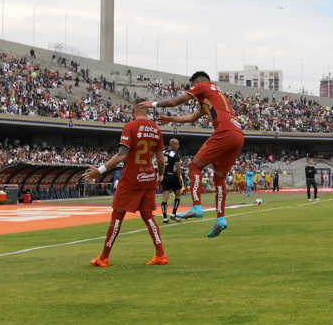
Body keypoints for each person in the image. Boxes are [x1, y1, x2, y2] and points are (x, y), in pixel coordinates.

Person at [142, 71, 245, 238]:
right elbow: (192, 118)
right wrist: (171, 120)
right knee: (219, 177)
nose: (192, 90)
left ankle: (197, 206)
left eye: (192, 86)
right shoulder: (215, 94)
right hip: (238, 135)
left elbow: (177, 101)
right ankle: (220, 218)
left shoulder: (202, 86)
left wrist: (153, 104)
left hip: (225, 131)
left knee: (194, 166)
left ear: (198, 81)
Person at [87, 99, 167, 267]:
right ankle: (161, 254)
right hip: (149, 179)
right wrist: (159, 177)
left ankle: (103, 258)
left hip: (131, 179)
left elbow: (122, 154)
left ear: (133, 109)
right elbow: (161, 161)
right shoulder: (156, 130)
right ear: (146, 110)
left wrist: (99, 171)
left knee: (117, 217)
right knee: (148, 217)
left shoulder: (130, 126)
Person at [160, 139, 185, 224]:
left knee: (165, 198)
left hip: (164, 177)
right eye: (177, 144)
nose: (178, 146)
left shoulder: (163, 153)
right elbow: (178, 168)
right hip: (173, 176)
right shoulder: (175, 154)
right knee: (178, 195)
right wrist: (179, 178)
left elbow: (160, 164)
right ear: (173, 145)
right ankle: (174, 214)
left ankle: (165, 218)